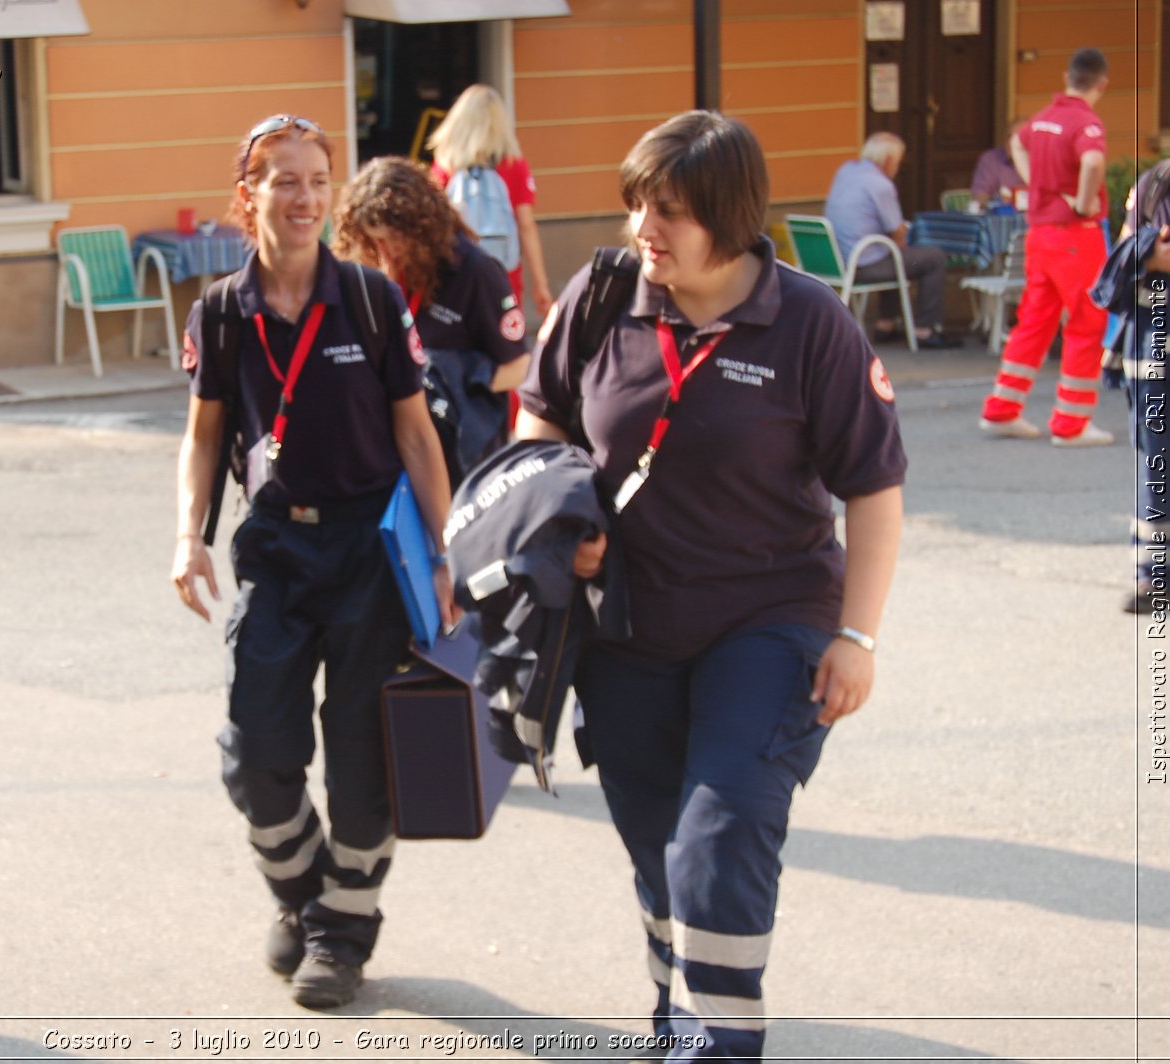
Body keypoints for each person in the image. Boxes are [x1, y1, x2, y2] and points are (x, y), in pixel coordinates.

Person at [516, 110, 905, 1061]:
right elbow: (541, 428)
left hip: (770, 619)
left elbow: (875, 488)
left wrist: (857, 640)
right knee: (658, 842)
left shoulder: (811, 321)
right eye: (639, 205)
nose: (647, 229)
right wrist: (566, 526)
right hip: (628, 628)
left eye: (674, 212)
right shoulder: (603, 298)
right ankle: (675, 1011)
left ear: (730, 219)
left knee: (720, 831)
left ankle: (722, 1042)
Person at [169, 114, 459, 1010]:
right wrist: (188, 535)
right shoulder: (221, 311)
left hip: (370, 547)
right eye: (283, 179)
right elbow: (204, 435)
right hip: (276, 547)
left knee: (365, 752)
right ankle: (304, 895)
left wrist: (443, 556)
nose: (303, 197)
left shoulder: (371, 301)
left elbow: (417, 434)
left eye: (317, 179)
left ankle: (342, 933)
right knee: (256, 751)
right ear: (246, 194)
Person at [333, 155, 531, 486]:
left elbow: (518, 368)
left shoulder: (475, 272)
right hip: (400, 450)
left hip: (464, 457)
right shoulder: (379, 275)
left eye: (391, 238)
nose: (385, 250)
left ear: (419, 226)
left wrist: (453, 377)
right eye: (374, 240)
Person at [979, 47, 1114, 445]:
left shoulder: (1043, 119)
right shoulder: (1086, 123)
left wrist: (1036, 179)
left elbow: (1017, 143)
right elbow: (1092, 162)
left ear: (1066, 76)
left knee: (1035, 320)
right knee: (1087, 321)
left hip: (1040, 235)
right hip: (1076, 234)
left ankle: (1002, 409)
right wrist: (1085, 201)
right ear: (1101, 83)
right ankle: (1071, 423)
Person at [428, 84, 555, 316]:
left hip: (457, 274)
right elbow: (526, 226)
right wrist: (541, 284)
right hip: (504, 274)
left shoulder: (444, 165)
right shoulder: (513, 164)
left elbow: (432, 222)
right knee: (508, 343)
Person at [823, 131, 959, 347]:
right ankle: (925, 329)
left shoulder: (846, 171)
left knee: (892, 254)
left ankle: (885, 324)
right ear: (888, 160)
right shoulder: (880, 184)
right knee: (933, 257)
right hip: (862, 264)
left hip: (837, 260)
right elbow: (898, 232)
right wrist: (903, 237)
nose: (898, 166)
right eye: (898, 160)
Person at [1112, 155, 1170, 612]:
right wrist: (1150, 253)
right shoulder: (1156, 182)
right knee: (1157, 457)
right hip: (1154, 346)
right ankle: (1153, 576)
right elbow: (1122, 252)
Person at [971, 118, 1028, 210]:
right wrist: (997, 201)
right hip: (1001, 216)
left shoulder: (1042, 160)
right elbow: (978, 196)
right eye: (1009, 137)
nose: (1011, 142)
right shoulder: (990, 159)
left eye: (1018, 138)